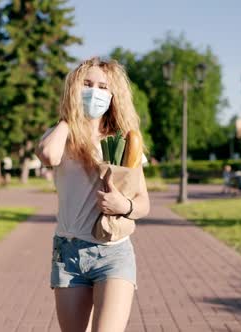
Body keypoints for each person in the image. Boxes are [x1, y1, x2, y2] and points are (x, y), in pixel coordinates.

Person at [35, 57, 150, 332]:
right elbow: (49, 155)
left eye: (102, 86)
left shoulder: (123, 142)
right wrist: (69, 117)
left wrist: (124, 205)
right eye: (87, 84)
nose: (94, 92)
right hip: (69, 251)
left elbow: (144, 203)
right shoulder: (60, 135)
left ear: (112, 96)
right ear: (74, 89)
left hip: (113, 252)